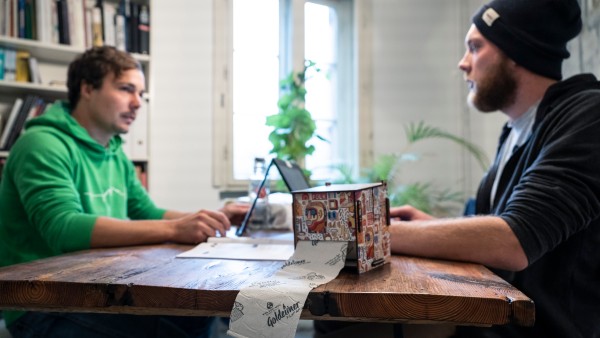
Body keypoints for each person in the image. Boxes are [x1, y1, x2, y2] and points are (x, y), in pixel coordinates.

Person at [0, 46, 248, 338]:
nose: (137, 103)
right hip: (42, 302)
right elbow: (63, 227)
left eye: (140, 94)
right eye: (126, 89)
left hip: (95, 287)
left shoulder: (114, 151)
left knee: (197, 319)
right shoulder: (42, 143)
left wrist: (212, 218)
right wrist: (174, 228)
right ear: (88, 88)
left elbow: (146, 212)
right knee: (183, 326)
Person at [389, 0, 600, 337]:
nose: (462, 63)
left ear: (517, 51)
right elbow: (496, 223)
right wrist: (432, 225)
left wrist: (378, 235)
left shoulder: (588, 115)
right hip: (492, 321)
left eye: (475, 47)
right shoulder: (519, 128)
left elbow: (514, 241)